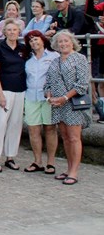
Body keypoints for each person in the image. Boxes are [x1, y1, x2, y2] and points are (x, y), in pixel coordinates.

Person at [45, 31, 92, 185]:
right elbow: (48, 82)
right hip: (58, 105)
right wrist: (49, 96)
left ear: (72, 42)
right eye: (60, 42)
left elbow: (83, 83)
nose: (63, 44)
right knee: (65, 137)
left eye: (66, 41)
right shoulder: (54, 61)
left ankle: (74, 172)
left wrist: (65, 98)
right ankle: (68, 168)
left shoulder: (80, 59)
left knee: (74, 137)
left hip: (72, 104)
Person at [0, 18, 28, 173]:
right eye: (9, 30)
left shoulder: (23, 49)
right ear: (4, 32)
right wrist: (0, 93)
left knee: (15, 124)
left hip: (20, 90)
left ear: (19, 31)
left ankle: (10, 157)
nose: (12, 32)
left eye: (15, 30)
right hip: (4, 90)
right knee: (0, 123)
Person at [23, 30, 59, 175]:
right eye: (31, 41)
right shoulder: (28, 59)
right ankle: (37, 161)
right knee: (33, 129)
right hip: (31, 96)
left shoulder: (54, 56)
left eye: (36, 39)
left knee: (50, 129)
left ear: (43, 40)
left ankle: (51, 162)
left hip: (48, 98)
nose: (34, 43)